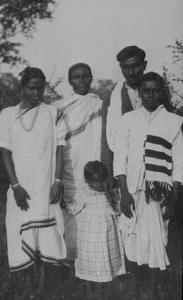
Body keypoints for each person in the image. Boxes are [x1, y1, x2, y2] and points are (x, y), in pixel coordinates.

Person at [0, 67, 66, 298]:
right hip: (21, 188)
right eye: (31, 88)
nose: (36, 93)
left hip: (45, 185)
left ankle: (45, 287)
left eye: (40, 88)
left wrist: (57, 181)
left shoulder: (52, 112)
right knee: (22, 234)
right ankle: (28, 289)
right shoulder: (7, 114)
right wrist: (15, 185)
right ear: (21, 88)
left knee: (45, 235)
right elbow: (5, 152)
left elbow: (59, 149)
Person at [114, 72, 183, 298]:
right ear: (140, 93)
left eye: (155, 90)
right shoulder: (128, 119)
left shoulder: (173, 122)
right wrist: (124, 193)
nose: (151, 95)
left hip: (159, 193)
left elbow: (179, 162)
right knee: (131, 238)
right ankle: (135, 287)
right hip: (132, 190)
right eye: (146, 91)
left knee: (157, 239)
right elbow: (120, 159)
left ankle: (151, 289)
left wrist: (174, 197)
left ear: (161, 92)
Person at [56, 63, 103, 260]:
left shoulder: (100, 104)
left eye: (85, 76)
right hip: (69, 169)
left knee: (96, 217)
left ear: (91, 78)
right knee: (71, 218)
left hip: (94, 169)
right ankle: (70, 262)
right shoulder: (60, 107)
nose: (82, 80)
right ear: (70, 81)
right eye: (77, 77)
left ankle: (92, 265)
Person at [69, 160, 125, 299]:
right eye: (95, 182)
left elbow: (117, 210)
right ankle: (89, 291)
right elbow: (74, 207)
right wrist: (65, 202)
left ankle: (102, 291)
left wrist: (111, 196)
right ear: (88, 181)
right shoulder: (83, 192)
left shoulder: (110, 191)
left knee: (105, 261)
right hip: (90, 237)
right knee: (90, 262)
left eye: (101, 180)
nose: (99, 184)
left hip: (107, 236)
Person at [102, 46, 147, 185]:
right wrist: (108, 173)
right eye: (126, 67)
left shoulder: (156, 90)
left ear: (144, 65)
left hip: (155, 164)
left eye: (135, 66)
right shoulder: (112, 96)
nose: (131, 72)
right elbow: (106, 136)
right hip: (126, 167)